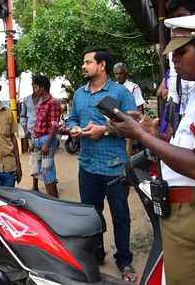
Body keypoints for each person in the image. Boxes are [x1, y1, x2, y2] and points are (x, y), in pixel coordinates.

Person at [112, 11, 195, 285]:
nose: (173, 60)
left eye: (180, 53)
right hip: (192, 210)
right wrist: (153, 135)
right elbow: (191, 152)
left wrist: (140, 135)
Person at [68, 48, 137, 282]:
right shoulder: (79, 94)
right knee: (90, 217)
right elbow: (72, 118)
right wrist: (74, 129)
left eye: (88, 62)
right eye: (84, 62)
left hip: (114, 166)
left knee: (120, 217)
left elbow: (133, 123)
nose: (83, 66)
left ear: (102, 65)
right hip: (87, 166)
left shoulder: (120, 92)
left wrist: (104, 130)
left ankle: (124, 261)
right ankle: (96, 254)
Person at [32, 75, 61, 197]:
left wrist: (47, 144)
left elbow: (55, 125)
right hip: (39, 140)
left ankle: (55, 201)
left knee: (47, 171)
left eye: (35, 87)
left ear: (42, 87)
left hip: (46, 140)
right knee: (40, 171)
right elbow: (38, 123)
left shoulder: (53, 102)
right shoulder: (41, 103)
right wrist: (33, 142)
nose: (34, 90)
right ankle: (50, 200)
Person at [20, 85, 42, 191]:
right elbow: (23, 116)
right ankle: (35, 186)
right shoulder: (26, 100)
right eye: (34, 85)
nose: (36, 88)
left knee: (46, 160)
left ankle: (50, 183)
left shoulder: (45, 98)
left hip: (44, 134)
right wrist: (25, 130)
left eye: (38, 86)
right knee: (34, 159)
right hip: (31, 134)